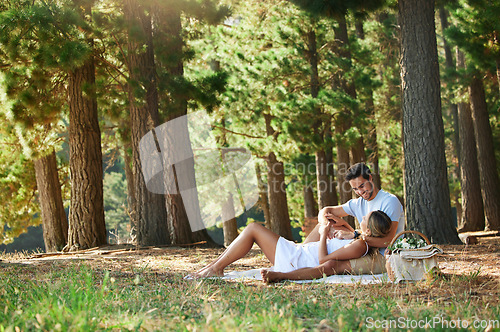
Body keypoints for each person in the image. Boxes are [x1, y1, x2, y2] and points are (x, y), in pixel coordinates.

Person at [261, 162, 404, 282]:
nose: (360, 192)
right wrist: (326, 224)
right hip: (365, 246)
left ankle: (283, 276)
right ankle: (298, 258)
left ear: (370, 178)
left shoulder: (389, 201)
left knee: (332, 265)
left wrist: (355, 235)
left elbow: (388, 241)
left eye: (362, 186)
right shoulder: (358, 203)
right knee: (328, 223)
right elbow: (326, 210)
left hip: (382, 256)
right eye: (355, 189)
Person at [188, 209, 392, 279]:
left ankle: (215, 268)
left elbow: (323, 259)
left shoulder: (361, 245)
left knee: (253, 228)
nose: (362, 216)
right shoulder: (361, 241)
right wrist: (344, 232)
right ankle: (212, 267)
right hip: (298, 253)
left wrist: (323, 234)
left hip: (296, 259)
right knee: (253, 229)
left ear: (368, 229)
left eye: (366, 217)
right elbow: (357, 241)